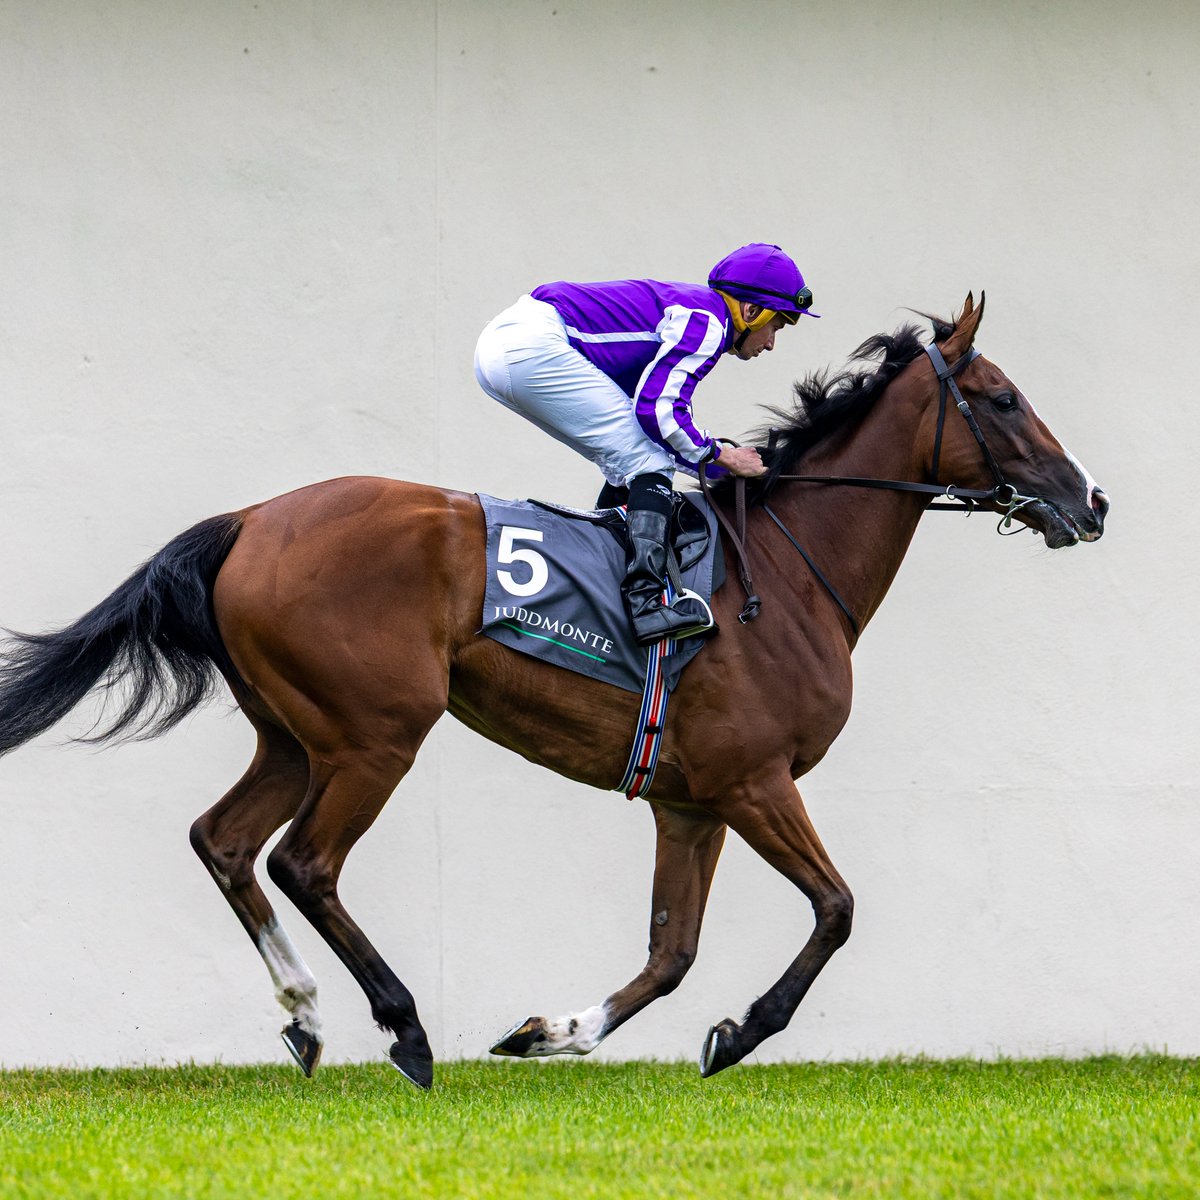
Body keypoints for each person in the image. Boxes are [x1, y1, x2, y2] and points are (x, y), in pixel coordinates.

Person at [474, 243, 817, 645]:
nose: (771, 343)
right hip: (531, 347)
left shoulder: (695, 312)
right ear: (751, 311)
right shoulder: (708, 322)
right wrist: (723, 455)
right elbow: (659, 411)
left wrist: (719, 465)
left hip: (510, 345)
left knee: (632, 457)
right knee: (646, 461)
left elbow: (657, 426)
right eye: (777, 326)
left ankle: (603, 579)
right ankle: (646, 605)